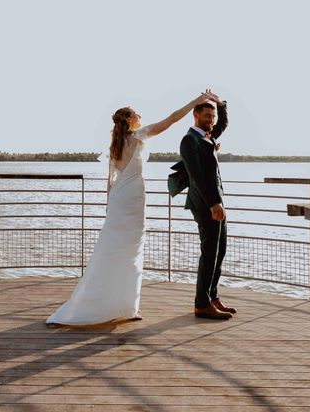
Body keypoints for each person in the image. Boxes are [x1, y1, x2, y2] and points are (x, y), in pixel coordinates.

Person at [46, 90, 214, 326]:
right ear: (128, 120)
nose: (140, 116)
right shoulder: (137, 136)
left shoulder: (116, 146)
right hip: (133, 197)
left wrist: (109, 206)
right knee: (131, 250)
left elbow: (110, 180)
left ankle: (120, 305)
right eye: (136, 114)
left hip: (118, 198)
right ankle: (126, 306)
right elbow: (171, 119)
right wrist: (194, 102)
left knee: (115, 248)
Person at [173, 91, 236, 320]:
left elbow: (224, 122)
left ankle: (212, 297)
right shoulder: (190, 140)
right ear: (195, 115)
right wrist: (213, 203)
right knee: (209, 253)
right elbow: (197, 176)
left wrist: (220, 103)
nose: (211, 119)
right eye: (207, 115)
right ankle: (202, 304)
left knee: (219, 252)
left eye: (213, 115)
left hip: (217, 203)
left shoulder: (207, 136)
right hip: (206, 204)